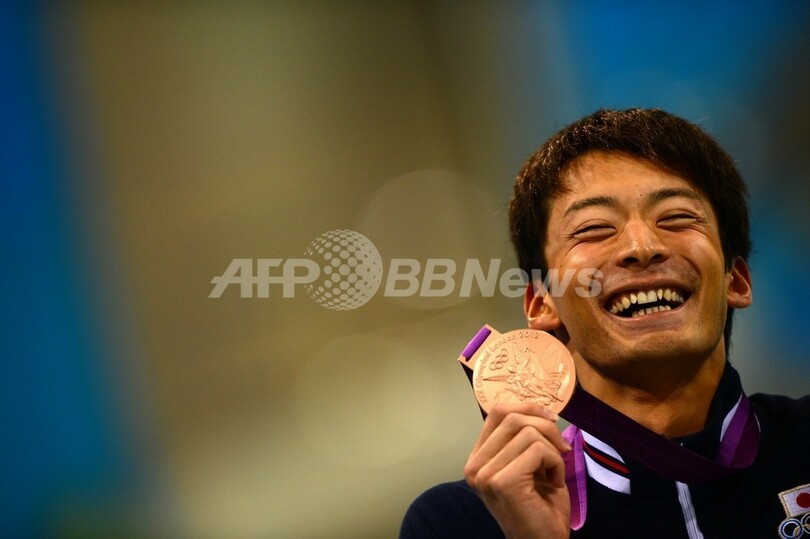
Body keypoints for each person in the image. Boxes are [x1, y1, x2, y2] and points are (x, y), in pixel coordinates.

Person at [400, 109, 810, 538]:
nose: (642, 246)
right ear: (541, 304)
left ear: (737, 281)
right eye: (594, 229)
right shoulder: (461, 522)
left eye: (676, 217)